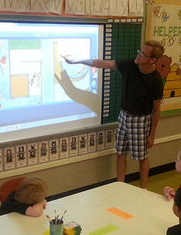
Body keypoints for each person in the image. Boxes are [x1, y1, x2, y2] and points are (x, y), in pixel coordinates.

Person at [62, 40, 165, 189]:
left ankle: (144, 188)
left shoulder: (155, 79)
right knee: (120, 152)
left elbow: (156, 109)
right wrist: (76, 60)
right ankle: (120, 185)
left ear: (152, 60)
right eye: (140, 50)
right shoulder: (131, 65)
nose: (138, 55)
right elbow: (102, 63)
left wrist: (152, 134)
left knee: (141, 157)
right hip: (124, 115)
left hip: (141, 120)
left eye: (143, 54)